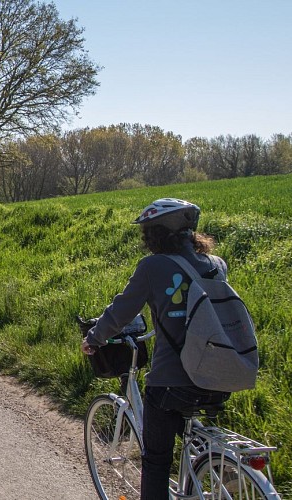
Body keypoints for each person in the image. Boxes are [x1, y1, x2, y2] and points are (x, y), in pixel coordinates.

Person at [81, 198, 230, 500]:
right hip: (222, 373)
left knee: (156, 460)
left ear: (155, 235)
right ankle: (214, 462)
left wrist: (94, 339)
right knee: (188, 422)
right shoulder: (217, 265)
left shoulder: (153, 266)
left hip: (171, 380)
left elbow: (121, 311)